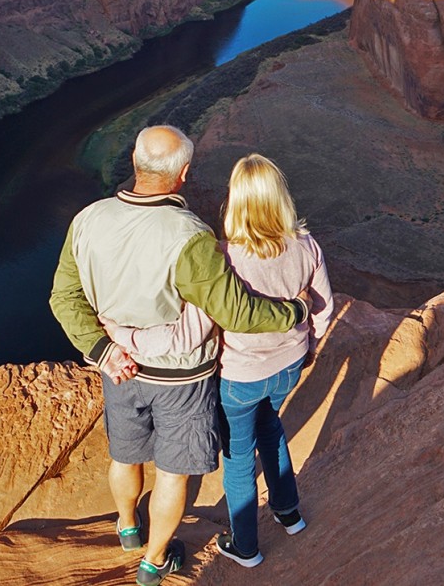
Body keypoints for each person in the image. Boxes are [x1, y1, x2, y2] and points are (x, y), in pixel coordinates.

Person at [49, 127, 310, 586]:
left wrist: (104, 350)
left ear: (134, 158)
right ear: (184, 174)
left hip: (120, 368)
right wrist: (296, 309)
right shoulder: (190, 235)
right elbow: (236, 312)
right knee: (172, 473)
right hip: (182, 382)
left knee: (125, 457)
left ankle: (128, 526)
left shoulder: (88, 218)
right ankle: (153, 563)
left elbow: (63, 297)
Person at [103, 153, 333, 569]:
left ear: (236, 202)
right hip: (288, 366)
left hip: (239, 377)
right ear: (280, 198)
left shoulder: (224, 259)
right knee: (272, 428)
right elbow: (322, 308)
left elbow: (192, 332)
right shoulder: (306, 245)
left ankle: (245, 545)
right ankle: (289, 513)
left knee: (240, 457)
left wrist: (124, 338)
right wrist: (309, 348)